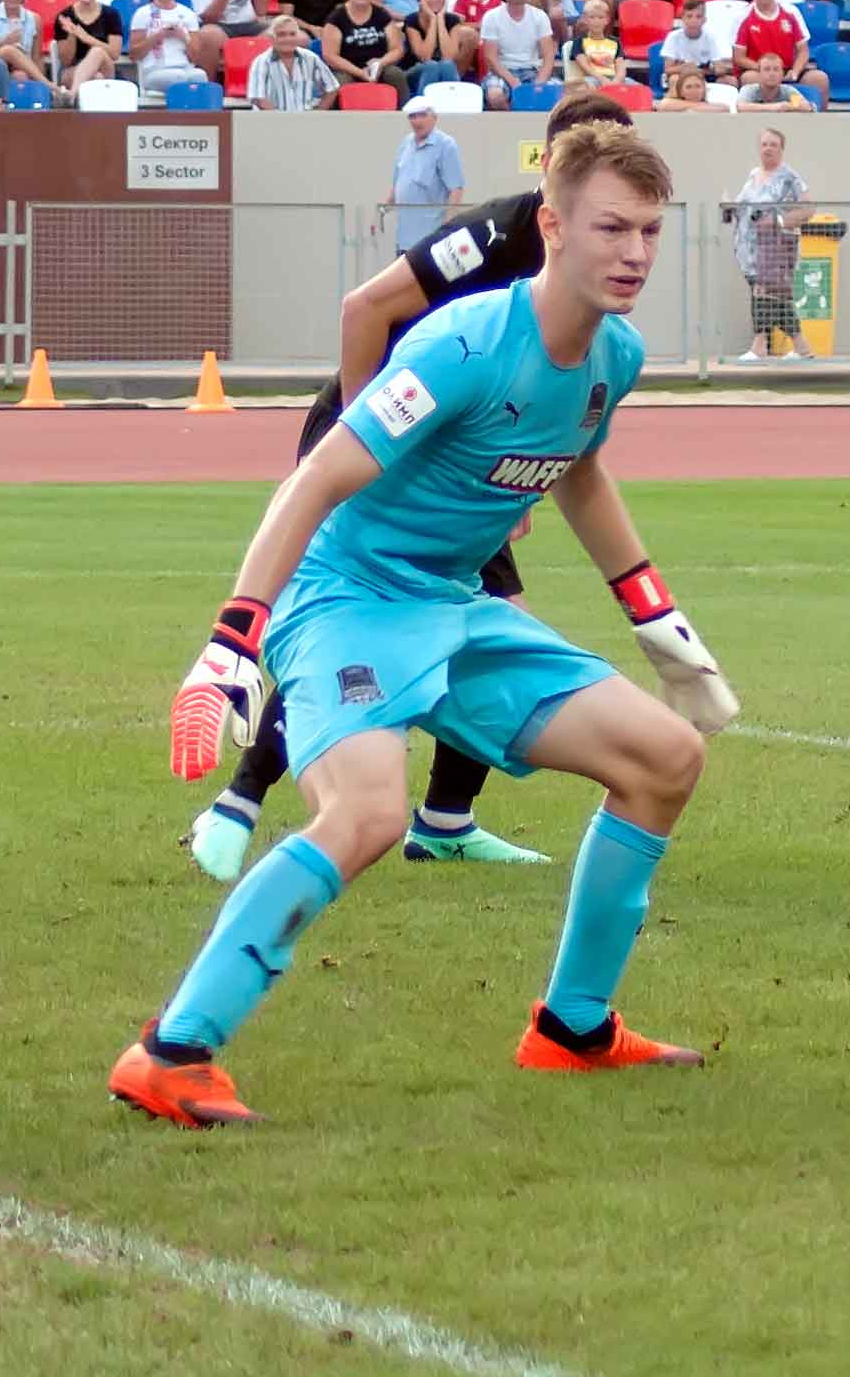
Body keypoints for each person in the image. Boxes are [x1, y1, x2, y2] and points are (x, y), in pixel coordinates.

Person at [111, 120, 733, 1126]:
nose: (633, 254)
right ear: (551, 226)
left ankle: (570, 1028)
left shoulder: (615, 353)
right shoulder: (464, 343)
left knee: (663, 758)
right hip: (346, 602)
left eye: (650, 232)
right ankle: (171, 1053)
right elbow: (316, 480)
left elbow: (575, 466)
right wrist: (232, 639)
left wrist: (654, 615)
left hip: (453, 605)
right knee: (366, 817)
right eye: (611, 228)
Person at [186, 92, 644, 883]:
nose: (625, 218)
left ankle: (441, 820)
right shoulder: (497, 233)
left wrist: (514, 486)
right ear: (556, 180)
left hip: (467, 447)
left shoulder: (597, 281)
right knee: (360, 613)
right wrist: (382, 442)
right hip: (389, 432)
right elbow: (365, 307)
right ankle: (245, 796)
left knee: (486, 622)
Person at [725, 126, 810, 360]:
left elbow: (808, 208)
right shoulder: (753, 175)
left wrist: (779, 220)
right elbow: (743, 202)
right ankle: (802, 347)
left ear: (782, 149)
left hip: (775, 246)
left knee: (764, 294)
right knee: (771, 296)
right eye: (764, 144)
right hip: (748, 248)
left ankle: (759, 346)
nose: (768, 149)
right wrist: (730, 206)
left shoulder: (789, 176)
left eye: (773, 144)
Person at [389, 97, 466, 245]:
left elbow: (456, 189)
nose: (417, 121)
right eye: (412, 116)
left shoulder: (446, 145)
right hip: (403, 237)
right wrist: (380, 214)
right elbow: (396, 185)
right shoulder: (405, 143)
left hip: (430, 237)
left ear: (434, 118)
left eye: (422, 115)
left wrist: (447, 229)